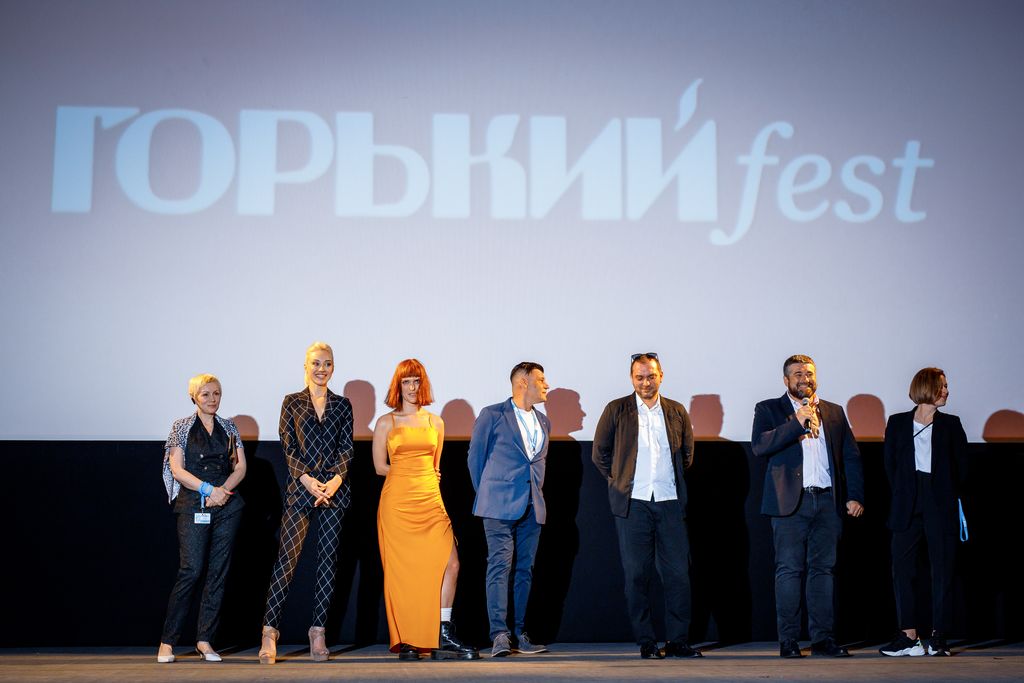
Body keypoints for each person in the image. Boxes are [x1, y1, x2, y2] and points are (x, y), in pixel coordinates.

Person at [751, 354, 864, 658]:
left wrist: (854, 495)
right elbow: (760, 446)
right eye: (798, 374)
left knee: (823, 571)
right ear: (786, 380)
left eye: (809, 373)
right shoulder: (769, 409)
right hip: (790, 503)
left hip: (827, 501)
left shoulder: (834, 412)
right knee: (789, 571)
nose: (805, 379)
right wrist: (796, 422)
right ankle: (788, 640)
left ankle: (822, 639)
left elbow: (850, 456)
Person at [592, 353, 702, 660]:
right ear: (631, 378)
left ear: (661, 376)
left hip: (669, 501)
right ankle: (647, 641)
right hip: (633, 504)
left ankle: (677, 641)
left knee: (678, 575)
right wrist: (619, 482)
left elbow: (687, 455)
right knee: (637, 576)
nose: (645, 382)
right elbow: (600, 454)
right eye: (639, 377)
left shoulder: (676, 411)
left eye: (651, 376)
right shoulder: (616, 409)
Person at [373, 359, 479, 660]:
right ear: (398, 385)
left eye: (416, 381)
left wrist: (426, 479)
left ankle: (443, 633)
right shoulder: (386, 422)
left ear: (423, 384)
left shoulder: (436, 423)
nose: (412, 387)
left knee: (451, 564)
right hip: (397, 503)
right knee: (403, 573)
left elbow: (435, 467)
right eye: (406, 381)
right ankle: (408, 638)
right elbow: (380, 466)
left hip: (431, 500)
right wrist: (409, 474)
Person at [258, 341, 353, 664]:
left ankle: (318, 633)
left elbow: (347, 448)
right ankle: (269, 632)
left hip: (334, 493)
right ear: (306, 366)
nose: (321, 369)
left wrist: (335, 481)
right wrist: (309, 481)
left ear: (333, 367)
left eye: (327, 363)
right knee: (287, 560)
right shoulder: (292, 402)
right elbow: (288, 446)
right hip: (302, 491)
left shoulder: (343, 405)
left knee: (327, 562)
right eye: (316, 363)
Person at [157, 374, 247, 663]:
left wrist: (222, 492)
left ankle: (205, 640)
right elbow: (177, 469)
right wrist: (208, 490)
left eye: (216, 393)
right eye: (206, 394)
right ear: (194, 397)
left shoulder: (229, 427)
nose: (212, 399)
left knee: (218, 573)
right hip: (193, 503)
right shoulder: (181, 427)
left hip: (226, 505)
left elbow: (240, 467)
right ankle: (167, 642)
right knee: (191, 570)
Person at [879, 368, 968, 657]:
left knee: (942, 571)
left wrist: (944, 492)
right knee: (902, 570)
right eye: (942, 386)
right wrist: (906, 491)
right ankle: (909, 637)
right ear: (926, 388)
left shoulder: (951, 424)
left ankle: (939, 637)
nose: (946, 391)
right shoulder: (897, 423)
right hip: (906, 503)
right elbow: (890, 465)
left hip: (939, 503)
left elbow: (962, 468)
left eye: (946, 386)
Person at [468, 361, 551, 657]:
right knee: (499, 568)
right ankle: (499, 634)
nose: (547, 385)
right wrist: (489, 493)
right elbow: (475, 459)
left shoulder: (544, 421)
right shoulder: (492, 415)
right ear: (522, 383)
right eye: (541, 379)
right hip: (497, 505)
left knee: (524, 570)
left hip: (532, 505)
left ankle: (520, 632)